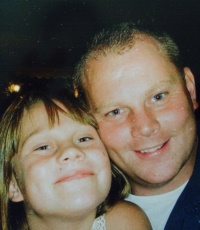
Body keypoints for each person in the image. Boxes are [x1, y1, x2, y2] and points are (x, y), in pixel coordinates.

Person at [73, 22, 200, 229]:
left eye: (158, 97)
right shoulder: (70, 208)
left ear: (190, 88)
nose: (145, 127)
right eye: (115, 112)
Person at [0, 90, 151, 230]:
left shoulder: (124, 222)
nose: (71, 151)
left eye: (84, 138)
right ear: (13, 184)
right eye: (43, 147)